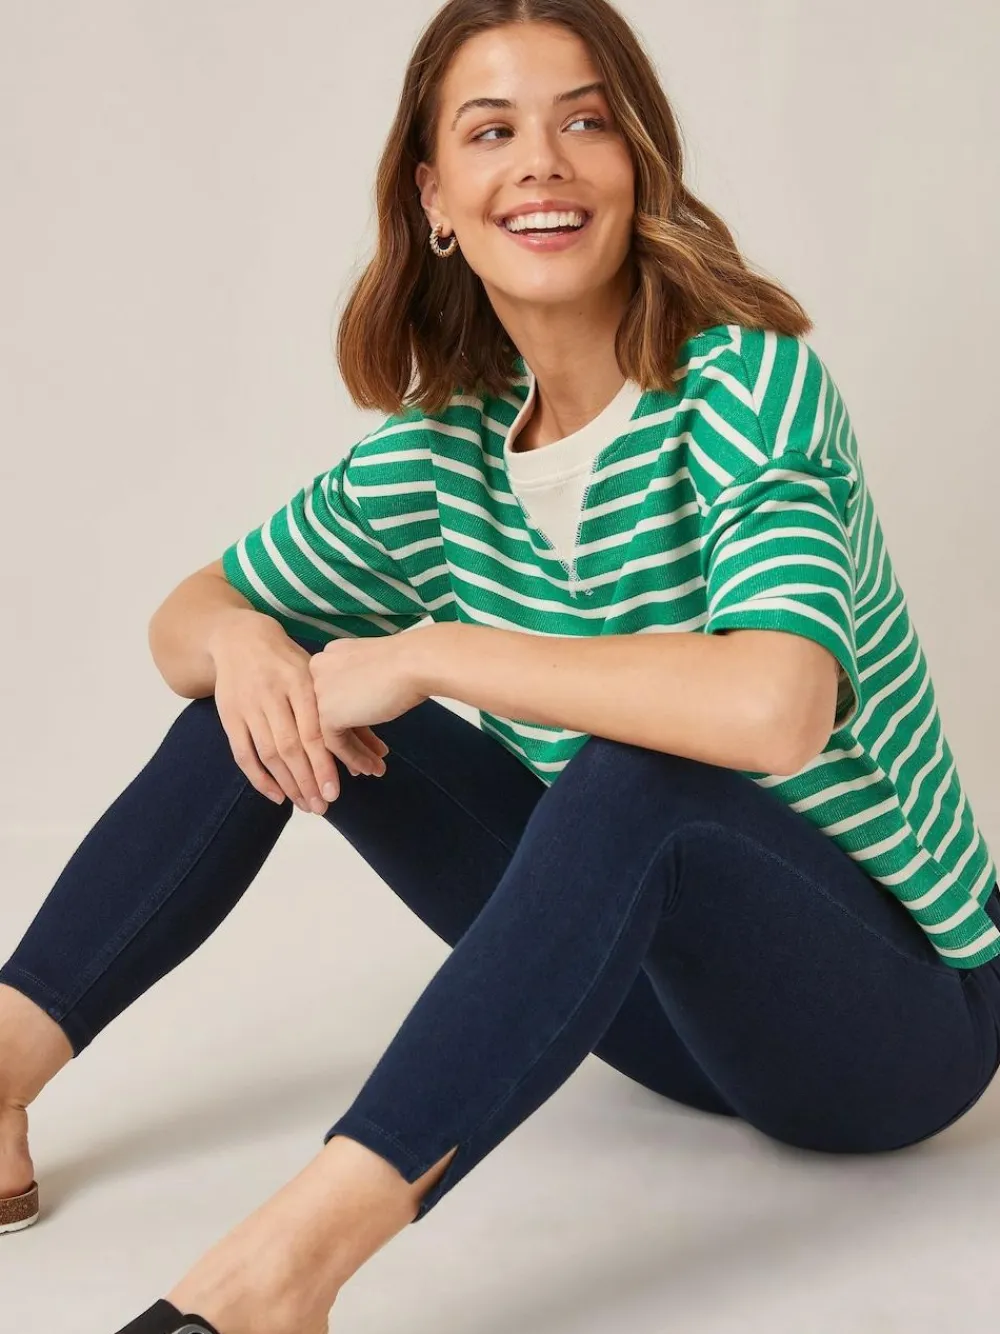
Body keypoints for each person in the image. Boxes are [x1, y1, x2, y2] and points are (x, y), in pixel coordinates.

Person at [2, 1, 998, 1331]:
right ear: (434, 197)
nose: (542, 161)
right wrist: (246, 642)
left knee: (639, 777)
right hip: (664, 1017)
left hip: (897, 1023)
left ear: (637, 163)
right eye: (492, 131)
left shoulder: (747, 387)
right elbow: (190, 616)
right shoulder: (445, 450)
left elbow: (776, 706)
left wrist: (434, 651)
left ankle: (277, 1281)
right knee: (273, 684)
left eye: (586, 121)